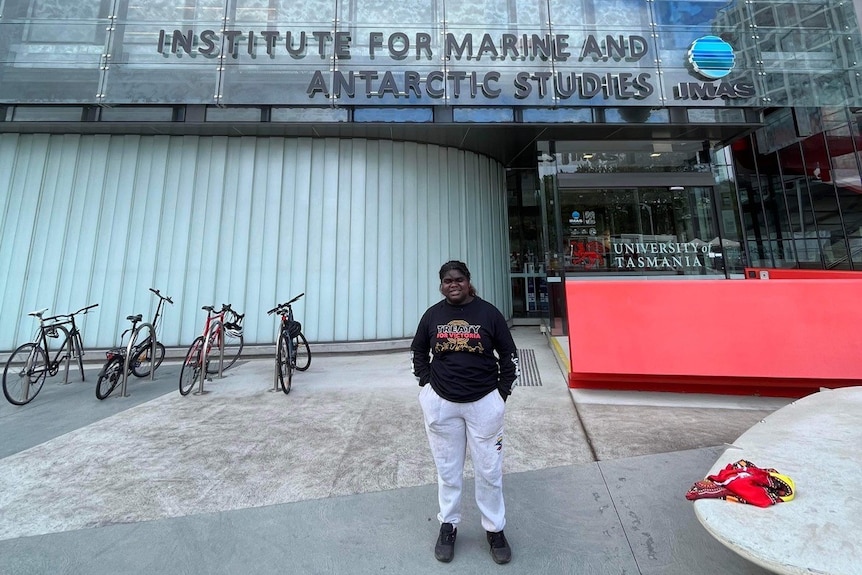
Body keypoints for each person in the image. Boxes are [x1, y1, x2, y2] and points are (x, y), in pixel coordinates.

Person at [411, 260, 519, 564]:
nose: (452, 284)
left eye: (458, 279)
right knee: (447, 470)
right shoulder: (433, 315)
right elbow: (419, 350)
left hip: (484, 404)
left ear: (468, 281)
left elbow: (509, 354)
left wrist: (502, 393)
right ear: (441, 284)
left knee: (489, 469)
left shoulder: (488, 313)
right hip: (441, 404)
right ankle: (448, 524)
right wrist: (426, 384)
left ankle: (495, 529)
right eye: (447, 280)